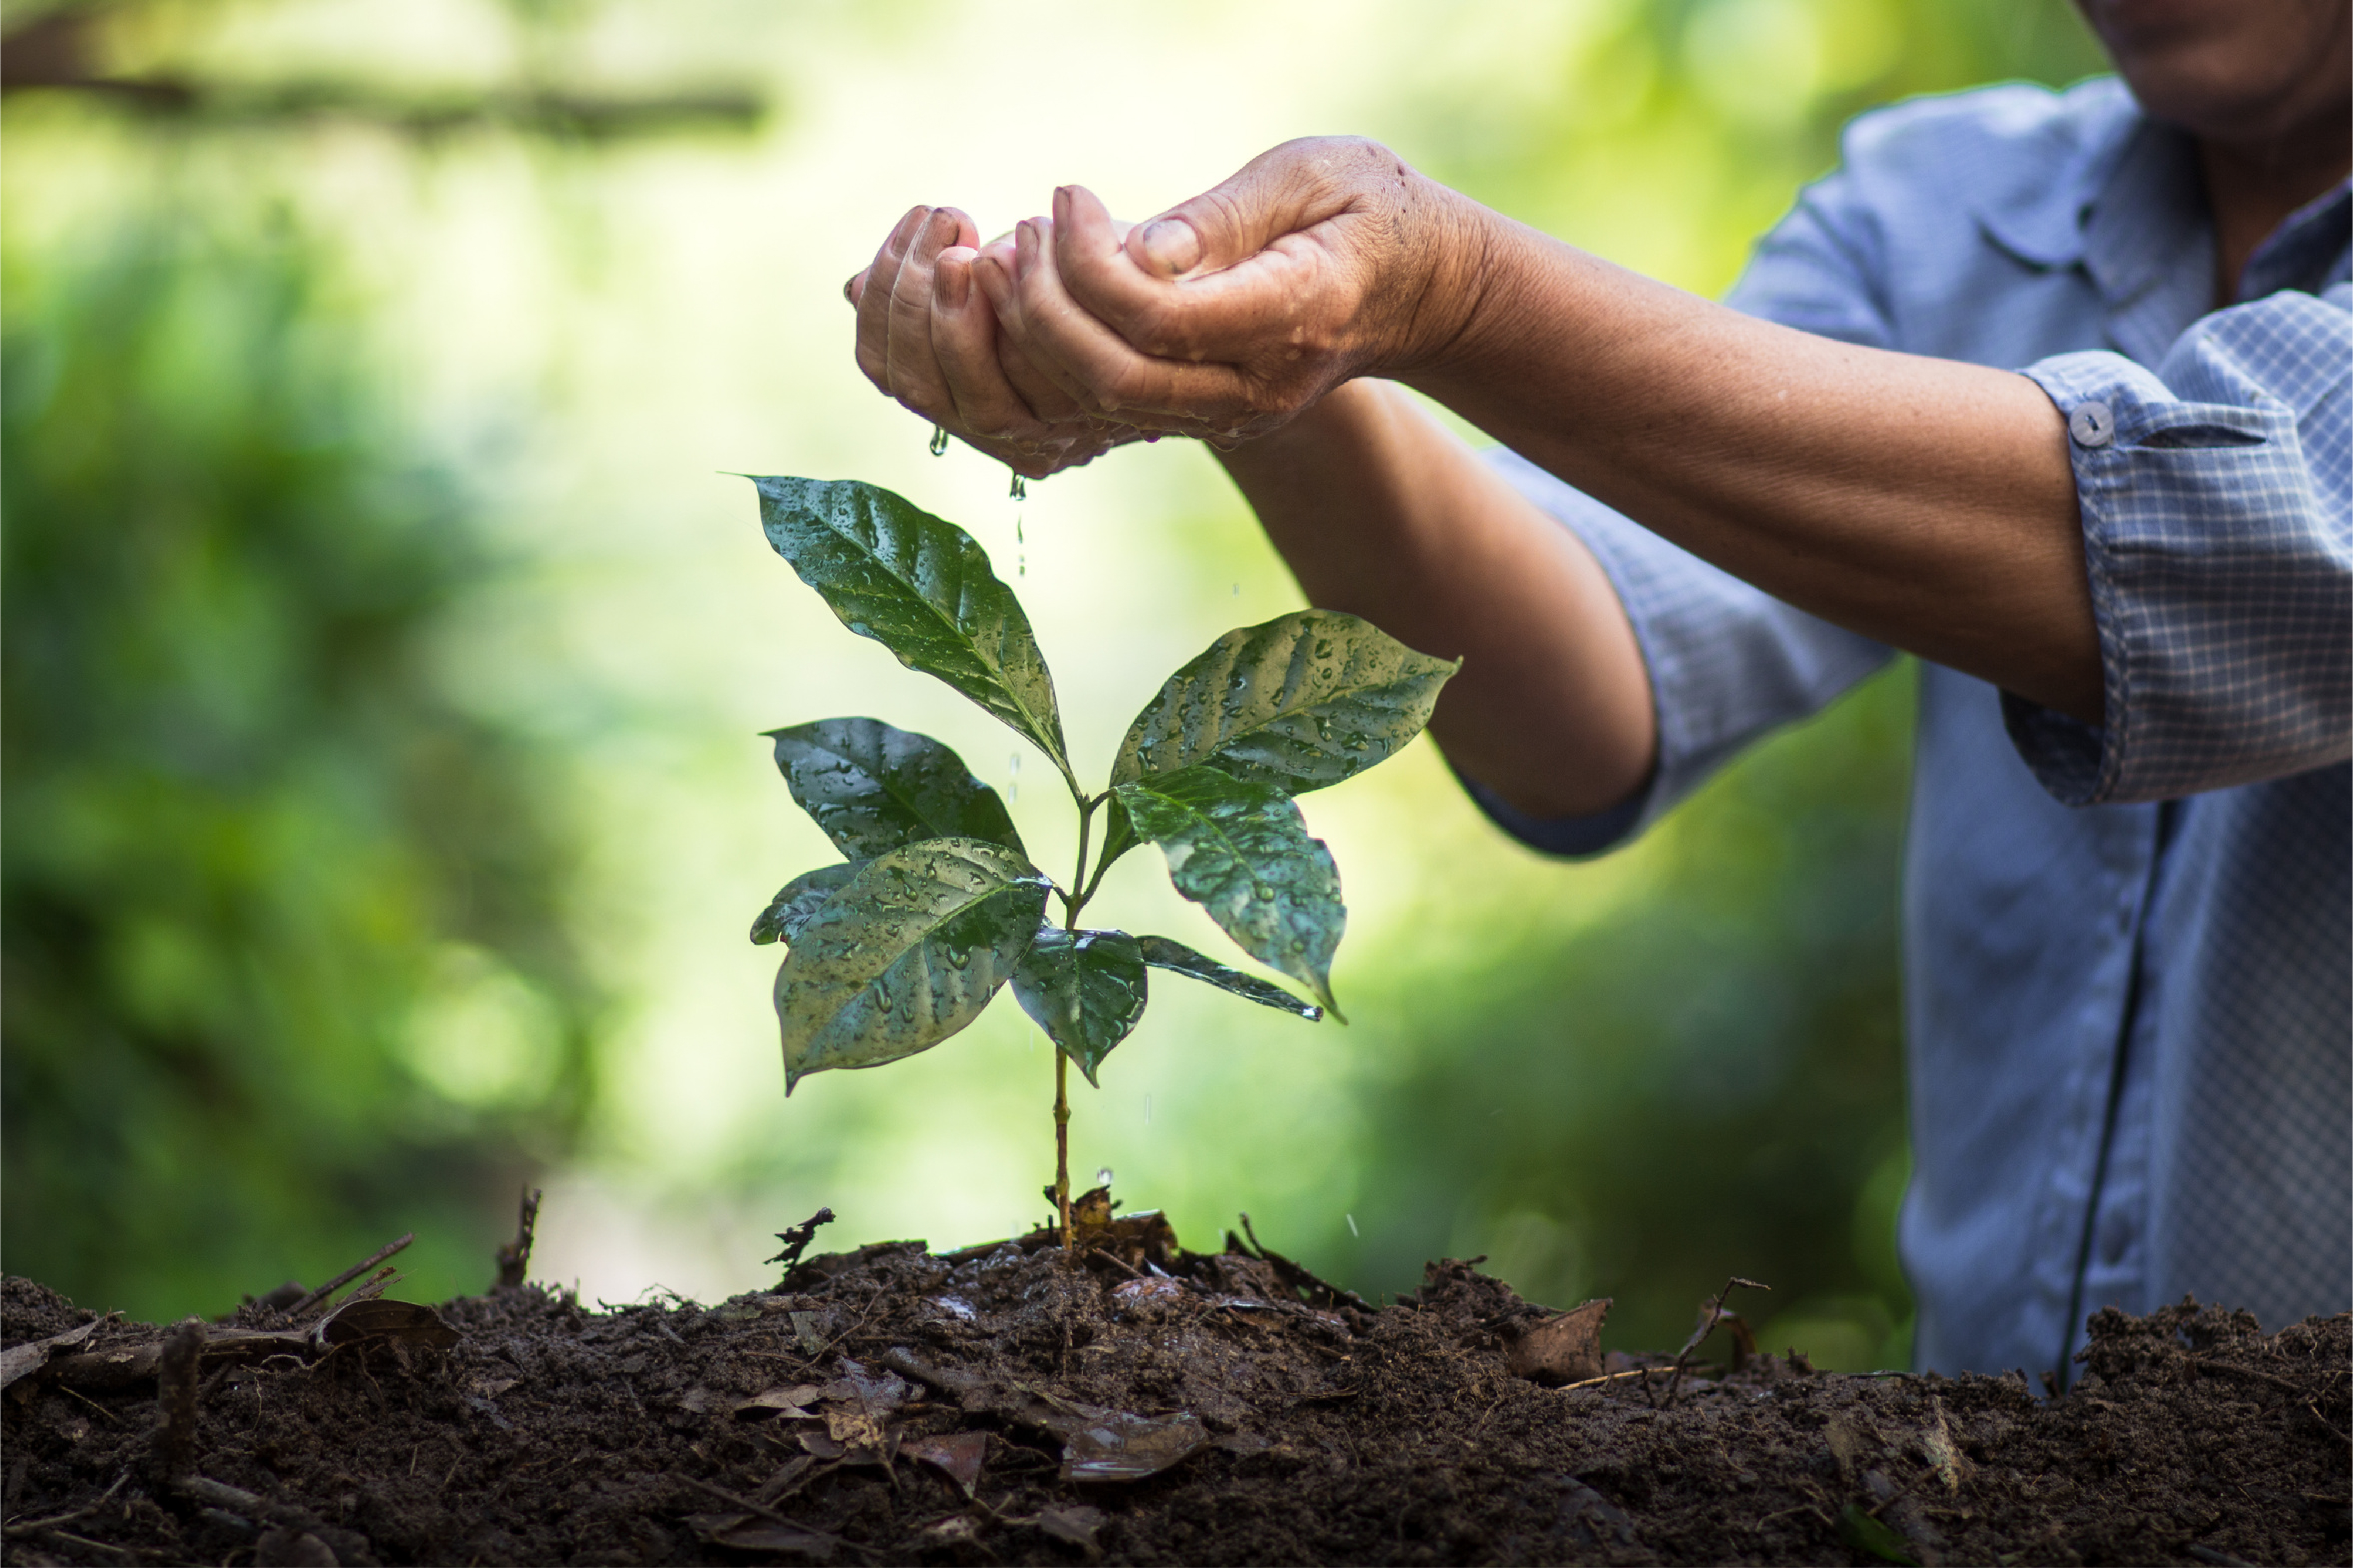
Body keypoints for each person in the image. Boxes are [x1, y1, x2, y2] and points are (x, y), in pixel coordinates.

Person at [843, 0, 2351, 1380]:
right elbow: (1580, 699)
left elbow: (2205, 567)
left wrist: (1456, 295)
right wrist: (1247, 361)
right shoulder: (1947, 215)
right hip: (1988, 1475)